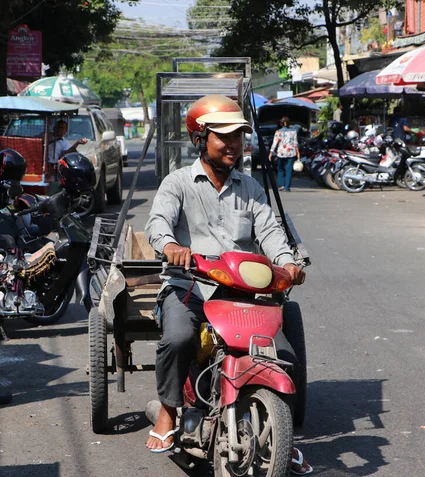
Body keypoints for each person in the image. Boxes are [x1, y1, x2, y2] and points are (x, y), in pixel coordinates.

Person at [144, 95, 312, 475]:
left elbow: (269, 231)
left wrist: (286, 263)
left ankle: (281, 432)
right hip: (190, 287)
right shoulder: (178, 183)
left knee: (283, 355)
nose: (233, 144)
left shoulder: (250, 188)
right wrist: (171, 246)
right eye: (224, 136)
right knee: (179, 339)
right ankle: (169, 411)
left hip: (243, 294)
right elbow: (157, 224)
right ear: (200, 138)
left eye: (238, 136)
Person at [268, 116, 300, 192]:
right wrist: (298, 153)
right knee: (289, 170)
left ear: (281, 124)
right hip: (291, 152)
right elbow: (295, 143)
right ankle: (287, 187)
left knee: (280, 168)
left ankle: (282, 184)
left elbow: (274, 143)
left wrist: (270, 153)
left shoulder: (278, 132)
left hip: (281, 152)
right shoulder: (293, 131)